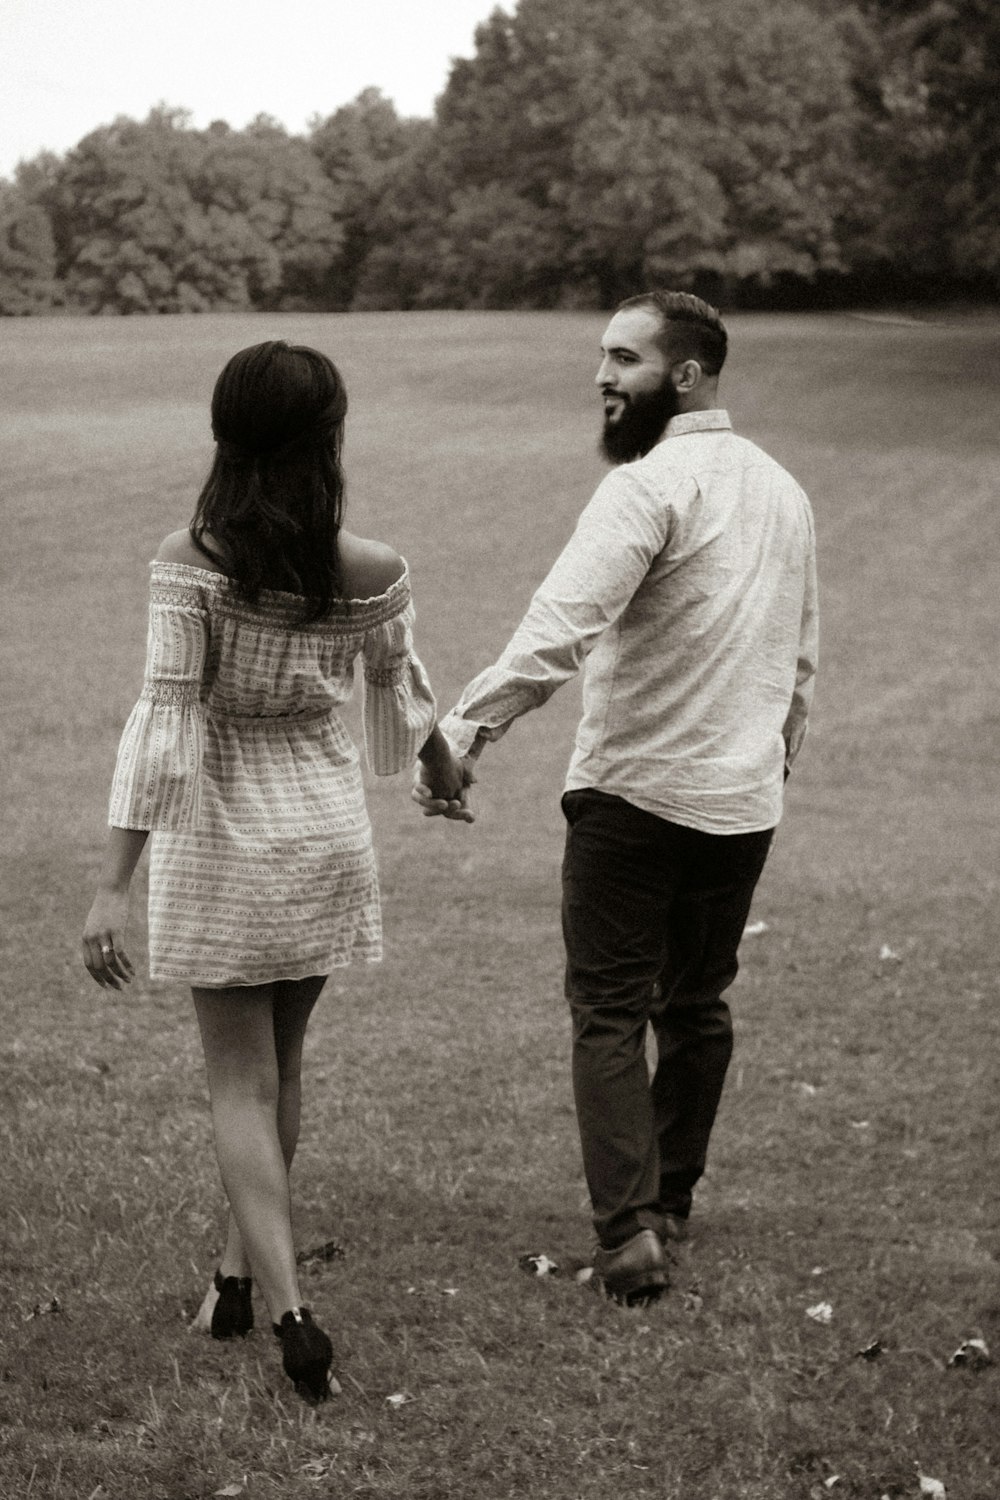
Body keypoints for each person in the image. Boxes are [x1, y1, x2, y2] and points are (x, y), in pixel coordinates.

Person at [82, 340, 468, 1400]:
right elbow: (402, 690)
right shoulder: (373, 568)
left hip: (221, 836)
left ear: (225, 432)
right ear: (328, 437)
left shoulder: (191, 558)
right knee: (282, 1073)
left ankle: (292, 1309)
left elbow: (164, 724)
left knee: (237, 1089)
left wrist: (114, 883)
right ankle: (233, 1284)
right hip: (327, 832)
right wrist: (440, 771)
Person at [415, 291, 818, 1304]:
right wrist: (771, 769)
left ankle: (629, 1227)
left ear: (684, 374)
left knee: (606, 1009)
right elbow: (800, 666)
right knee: (696, 1005)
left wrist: (460, 738)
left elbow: (560, 627)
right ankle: (669, 1203)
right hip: (739, 804)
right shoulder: (784, 491)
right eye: (603, 355)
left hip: (633, 796)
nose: (602, 374)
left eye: (624, 358)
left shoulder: (647, 486)